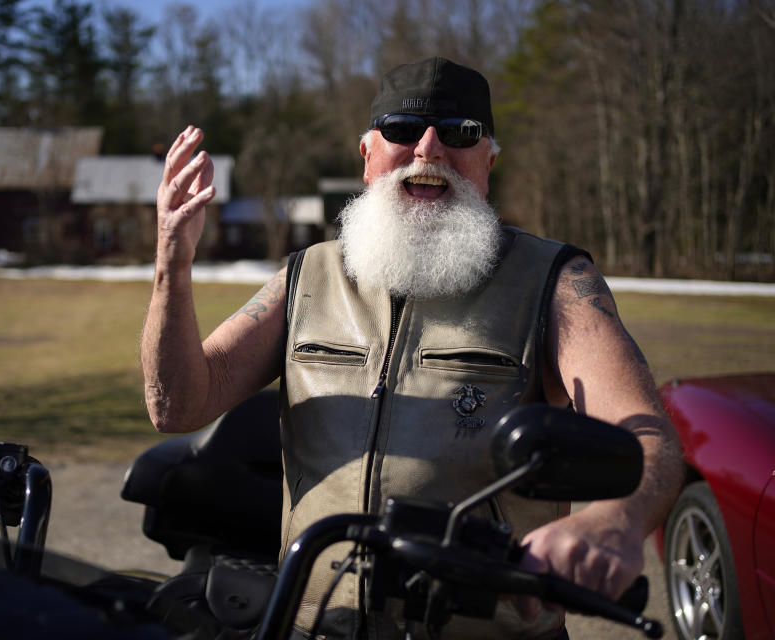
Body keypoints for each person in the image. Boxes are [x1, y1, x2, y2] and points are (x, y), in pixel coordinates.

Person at [141, 57, 683, 640]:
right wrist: (173, 261)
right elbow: (177, 407)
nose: (429, 150)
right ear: (367, 156)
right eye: (402, 129)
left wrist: (615, 521)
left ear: (489, 160)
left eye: (460, 133)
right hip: (310, 626)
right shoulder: (306, 277)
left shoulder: (554, 282)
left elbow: (645, 433)